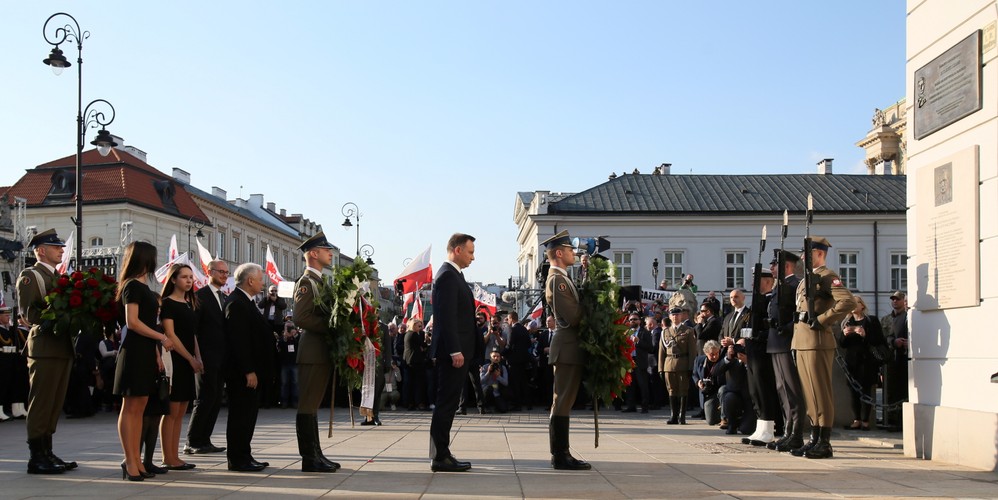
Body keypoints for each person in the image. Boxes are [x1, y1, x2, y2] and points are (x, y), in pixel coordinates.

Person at [15, 229, 77, 474]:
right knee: (41, 403)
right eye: (55, 246)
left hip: (61, 346)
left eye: (61, 246)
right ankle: (36, 456)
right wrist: (61, 315)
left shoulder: (58, 277)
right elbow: (29, 314)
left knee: (54, 403)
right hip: (44, 347)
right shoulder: (31, 276)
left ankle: (47, 452)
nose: (61, 249)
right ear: (41, 250)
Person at [791, 236, 855, 459]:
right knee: (810, 394)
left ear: (819, 254)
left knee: (821, 392)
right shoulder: (807, 279)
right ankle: (814, 438)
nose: (802, 258)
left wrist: (823, 320)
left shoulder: (828, 276)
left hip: (817, 341)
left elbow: (848, 302)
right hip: (802, 341)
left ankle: (825, 442)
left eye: (806, 254)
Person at [115, 241, 173, 481]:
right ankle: (130, 461)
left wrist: (156, 353)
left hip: (146, 351)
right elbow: (133, 322)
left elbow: (145, 323)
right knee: (130, 408)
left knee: (139, 408)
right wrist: (161, 337)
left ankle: (136, 460)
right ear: (144, 259)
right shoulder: (132, 286)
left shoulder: (143, 287)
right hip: (134, 351)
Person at [428, 233, 481, 472]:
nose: (473, 257)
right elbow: (446, 318)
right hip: (453, 353)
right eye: (470, 252)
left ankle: (441, 452)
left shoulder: (454, 275)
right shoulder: (447, 276)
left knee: (448, 403)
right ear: (457, 250)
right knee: (446, 404)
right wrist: (455, 350)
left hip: (459, 351)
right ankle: (440, 455)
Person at [291, 232, 341, 473]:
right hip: (312, 351)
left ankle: (316, 454)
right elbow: (301, 317)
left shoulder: (320, 281)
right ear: (313, 253)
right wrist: (332, 326)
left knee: (313, 405)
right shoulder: (306, 282)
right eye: (325, 249)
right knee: (308, 405)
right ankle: (309, 458)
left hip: (320, 351)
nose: (330, 253)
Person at [543, 230, 591, 470]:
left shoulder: (561, 278)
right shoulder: (557, 280)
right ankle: (560, 455)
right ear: (559, 253)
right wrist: (592, 308)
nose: (574, 253)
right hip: (567, 346)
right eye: (571, 250)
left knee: (564, 400)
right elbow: (573, 317)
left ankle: (561, 452)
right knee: (562, 401)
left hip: (569, 347)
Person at [224, 263, 273, 472]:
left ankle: (245, 454)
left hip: (253, 370)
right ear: (250, 280)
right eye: (260, 279)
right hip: (242, 373)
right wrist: (248, 370)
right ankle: (237, 459)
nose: (263, 283)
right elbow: (238, 341)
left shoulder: (248, 301)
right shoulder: (236, 303)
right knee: (240, 416)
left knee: (248, 415)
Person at [158, 264, 204, 471]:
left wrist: (198, 357)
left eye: (191, 277)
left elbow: (192, 334)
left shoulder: (189, 303)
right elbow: (171, 335)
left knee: (181, 410)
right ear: (173, 279)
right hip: (174, 360)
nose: (189, 280)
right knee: (171, 411)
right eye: (184, 277)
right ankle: (168, 456)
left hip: (188, 360)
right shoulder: (167, 303)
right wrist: (189, 358)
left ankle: (175, 455)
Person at [184, 259, 229, 455]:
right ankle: (192, 441)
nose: (224, 275)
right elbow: (192, 330)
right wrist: (197, 356)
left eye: (226, 272)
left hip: (221, 358)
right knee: (204, 398)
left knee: (216, 398)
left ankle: (205, 439)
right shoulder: (199, 297)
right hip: (205, 356)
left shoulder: (225, 298)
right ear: (209, 272)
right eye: (221, 272)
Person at [766, 250, 806, 452]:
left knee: (792, 390)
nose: (771, 268)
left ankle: (796, 433)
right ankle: (788, 431)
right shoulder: (780, 286)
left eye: (775, 264)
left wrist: (787, 327)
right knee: (782, 390)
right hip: (775, 341)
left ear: (787, 266)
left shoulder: (794, 285)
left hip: (786, 340)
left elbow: (798, 314)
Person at [838, 296, 887, 431]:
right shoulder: (847, 322)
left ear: (862, 306)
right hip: (852, 361)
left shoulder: (871, 321)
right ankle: (856, 419)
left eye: (856, 302)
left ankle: (865, 421)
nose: (854, 305)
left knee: (866, 390)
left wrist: (865, 334)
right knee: (853, 391)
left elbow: (879, 340)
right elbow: (842, 344)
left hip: (867, 361)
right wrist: (844, 334)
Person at [659, 307, 697, 424]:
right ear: (670, 317)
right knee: (671, 390)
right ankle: (673, 415)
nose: (675, 317)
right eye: (673, 315)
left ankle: (682, 416)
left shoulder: (688, 331)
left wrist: (691, 367)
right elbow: (661, 351)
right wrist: (661, 368)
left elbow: (692, 351)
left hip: (683, 363)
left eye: (677, 315)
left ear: (682, 316)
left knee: (683, 390)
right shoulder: (665, 332)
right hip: (669, 364)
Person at [881, 290, 909, 430]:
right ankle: (891, 420)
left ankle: (903, 421)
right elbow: (882, 338)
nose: (894, 301)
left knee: (904, 390)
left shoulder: (909, 317)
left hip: (905, 359)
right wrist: (893, 342)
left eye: (897, 299)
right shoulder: (886, 319)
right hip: (891, 359)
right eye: (893, 299)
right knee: (891, 391)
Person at [623, 313, 653, 413]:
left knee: (642, 385)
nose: (632, 321)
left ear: (639, 321)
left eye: (635, 319)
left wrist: (638, 341)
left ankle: (645, 406)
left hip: (640, 362)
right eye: (631, 319)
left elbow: (650, 348)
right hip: (630, 361)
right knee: (630, 384)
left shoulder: (645, 332)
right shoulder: (627, 332)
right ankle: (631, 406)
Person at [692, 340, 724, 425]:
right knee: (710, 421)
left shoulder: (723, 361)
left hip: (718, 390)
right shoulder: (699, 360)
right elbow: (694, 374)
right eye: (711, 354)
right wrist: (698, 382)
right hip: (705, 391)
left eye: (717, 353)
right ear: (706, 353)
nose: (715, 356)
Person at [504, 312, 532, 411]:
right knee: (524, 382)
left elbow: (509, 345)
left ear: (511, 319)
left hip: (514, 360)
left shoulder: (512, 329)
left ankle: (517, 404)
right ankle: (528, 403)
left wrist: (503, 353)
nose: (508, 321)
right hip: (524, 360)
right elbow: (529, 344)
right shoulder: (524, 329)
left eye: (508, 319)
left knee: (515, 383)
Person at [403, 318, 429, 410]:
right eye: (419, 326)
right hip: (415, 362)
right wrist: (426, 341)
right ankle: (418, 403)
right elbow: (423, 345)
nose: (421, 327)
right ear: (413, 325)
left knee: (411, 383)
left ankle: (410, 403)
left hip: (409, 361)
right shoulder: (413, 334)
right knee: (418, 383)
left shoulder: (407, 334)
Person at [277, 322, 300, 409]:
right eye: (288, 328)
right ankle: (284, 402)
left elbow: (299, 346)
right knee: (284, 383)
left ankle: (295, 402)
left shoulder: (296, 337)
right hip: (285, 364)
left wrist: (294, 336)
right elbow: (279, 347)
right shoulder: (282, 338)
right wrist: (285, 338)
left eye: (291, 328)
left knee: (295, 383)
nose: (289, 330)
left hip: (294, 363)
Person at [480, 348, 510, 413]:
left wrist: (498, 376)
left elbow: (506, 383)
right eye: (494, 356)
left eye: (498, 356)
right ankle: (486, 406)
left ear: (500, 358)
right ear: (490, 358)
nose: (496, 358)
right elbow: (481, 382)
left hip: (497, 393)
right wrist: (488, 372)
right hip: (486, 391)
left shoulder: (503, 368)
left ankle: (497, 406)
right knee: (489, 388)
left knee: (504, 410)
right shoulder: (485, 367)